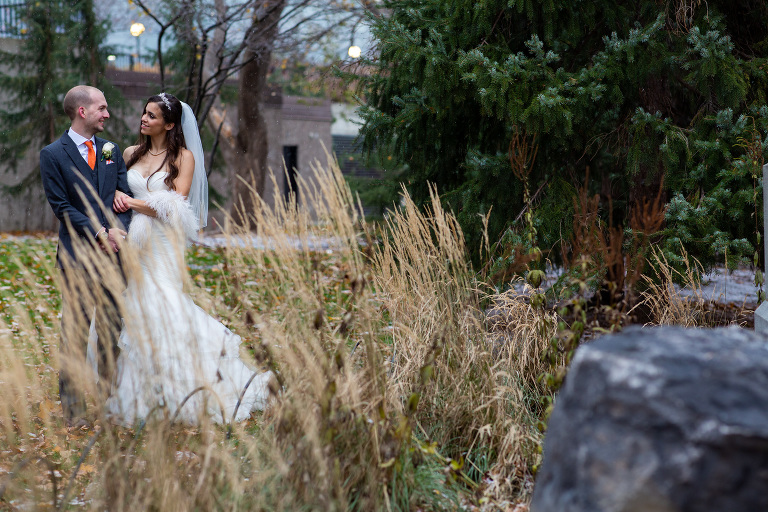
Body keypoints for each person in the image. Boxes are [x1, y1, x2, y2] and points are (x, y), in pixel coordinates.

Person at [106, 92, 272, 425]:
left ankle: (190, 391)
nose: (144, 119)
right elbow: (114, 192)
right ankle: (146, 395)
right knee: (138, 306)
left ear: (169, 124)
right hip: (135, 242)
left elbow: (176, 204)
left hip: (164, 242)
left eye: (152, 116)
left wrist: (132, 202)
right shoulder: (129, 153)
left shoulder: (184, 157)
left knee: (165, 302)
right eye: (144, 113)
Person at [40, 85, 132, 427]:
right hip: (77, 257)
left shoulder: (111, 149)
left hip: (113, 259)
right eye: (102, 108)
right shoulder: (52, 154)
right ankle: (74, 410)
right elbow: (61, 206)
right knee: (75, 335)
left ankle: (110, 404)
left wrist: (119, 230)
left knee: (110, 334)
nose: (107, 113)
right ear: (83, 111)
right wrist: (98, 232)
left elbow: (123, 197)